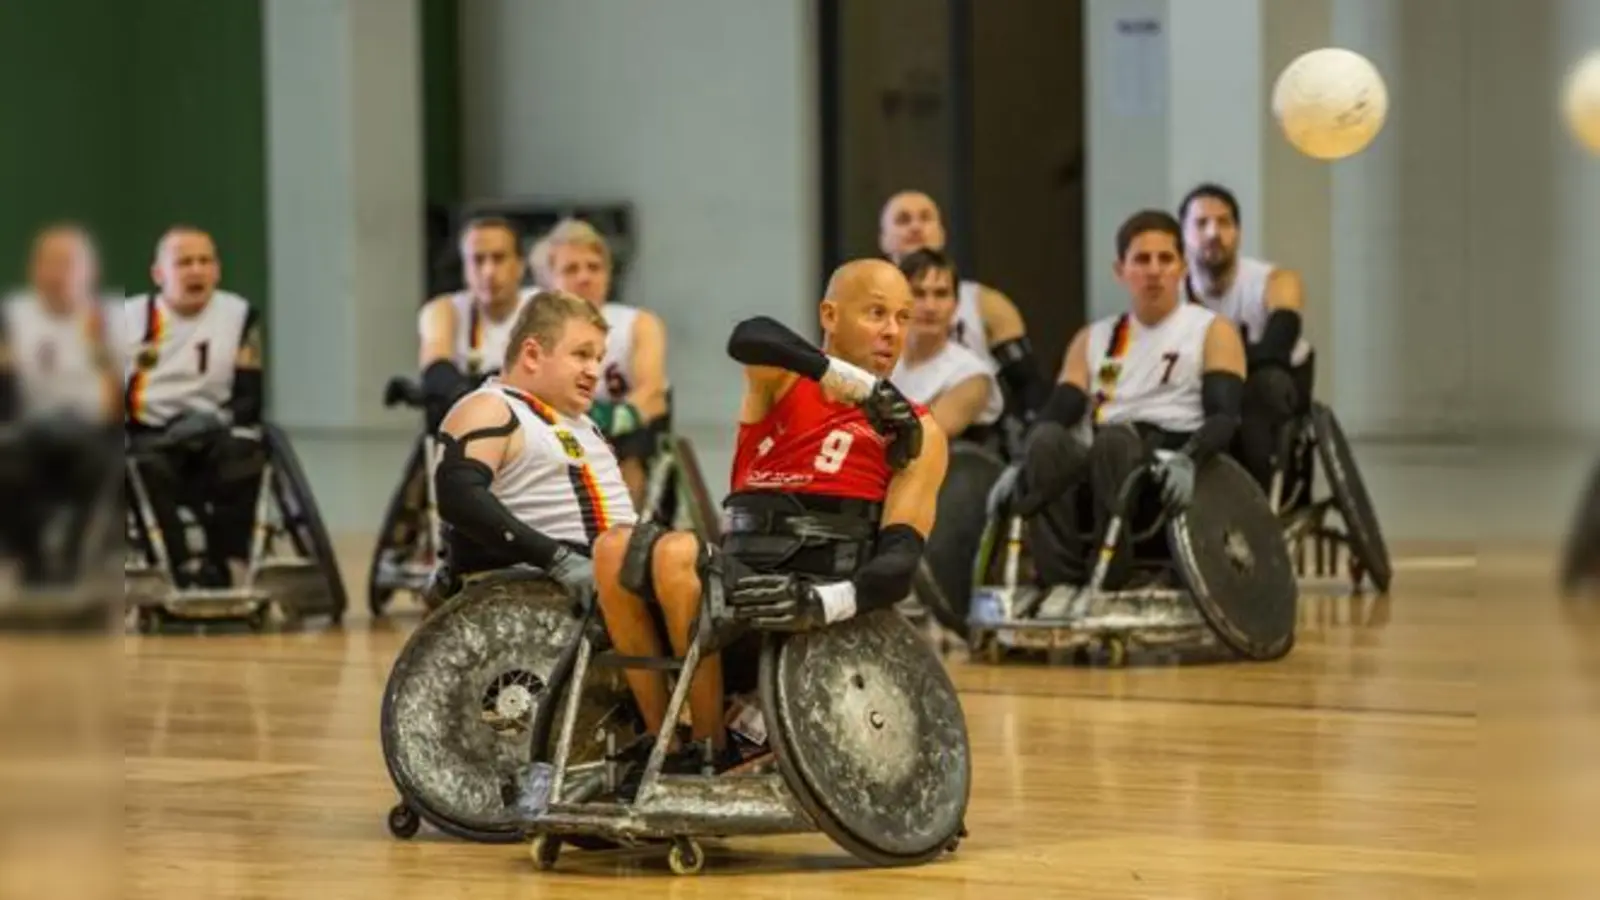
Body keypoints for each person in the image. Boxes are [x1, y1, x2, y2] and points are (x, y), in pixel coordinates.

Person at [586, 258, 947, 797]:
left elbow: (897, 566)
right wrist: (854, 385)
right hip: (736, 568)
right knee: (612, 548)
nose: (893, 331)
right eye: (876, 313)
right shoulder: (784, 383)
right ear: (830, 315)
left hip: (811, 585)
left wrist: (823, 603)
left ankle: (711, 745)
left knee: (677, 552)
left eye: (902, 317)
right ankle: (665, 740)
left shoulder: (918, 426)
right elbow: (749, 335)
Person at [1016, 210, 1246, 599]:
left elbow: (1225, 415)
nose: (1154, 270)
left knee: (1116, 440)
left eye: (1165, 259)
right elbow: (1059, 409)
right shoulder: (1095, 337)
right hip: (1104, 454)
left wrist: (1192, 456)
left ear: (1182, 267)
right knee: (1047, 441)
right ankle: (1061, 584)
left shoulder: (1210, 329)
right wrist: (1019, 464)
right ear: (1120, 270)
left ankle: (1112, 577)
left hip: (1169, 460)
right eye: (1141, 259)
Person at [118, 225, 267, 588]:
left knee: (244, 454)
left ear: (217, 270)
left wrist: (223, 420)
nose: (196, 270)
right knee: (145, 467)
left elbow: (250, 394)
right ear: (159, 274)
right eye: (184, 262)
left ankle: (227, 563)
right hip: (148, 432)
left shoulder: (239, 316)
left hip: (211, 426)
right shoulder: (129, 318)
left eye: (205, 261)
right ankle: (177, 565)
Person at [0, 224, 120, 586]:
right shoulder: (12, 317)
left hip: (96, 434)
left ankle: (73, 560)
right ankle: (31, 562)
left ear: (90, 271)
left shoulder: (113, 317)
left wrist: (103, 352)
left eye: (68, 263)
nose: (58, 274)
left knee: (105, 464)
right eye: (49, 263)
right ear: (34, 269)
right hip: (29, 433)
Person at [1177, 182, 1313, 492]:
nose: (1213, 232)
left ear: (1238, 232)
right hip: (1206, 390)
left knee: (1264, 385)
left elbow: (1279, 342)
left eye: (1224, 222)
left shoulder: (1274, 281)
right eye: (1201, 223)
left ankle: (1260, 498)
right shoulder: (1170, 294)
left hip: (1269, 386)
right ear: (1182, 235)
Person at [529, 218, 669, 509]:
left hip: (621, 430)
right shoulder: (533, 330)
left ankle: (623, 530)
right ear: (547, 281)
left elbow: (652, 394)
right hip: (556, 427)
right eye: (571, 269)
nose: (585, 277)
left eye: (594, 267)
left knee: (631, 439)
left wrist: (610, 420)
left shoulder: (639, 324)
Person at [878, 190, 1050, 423]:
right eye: (903, 220)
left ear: (941, 233)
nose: (916, 227)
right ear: (883, 238)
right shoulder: (868, 306)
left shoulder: (986, 304)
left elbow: (1028, 385)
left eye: (925, 218)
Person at [416, 217, 537, 431]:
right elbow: (435, 367)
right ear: (465, 267)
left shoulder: (542, 306)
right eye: (478, 260)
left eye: (499, 258)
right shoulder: (444, 309)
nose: (488, 271)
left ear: (520, 265)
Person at [888, 248, 1004, 441]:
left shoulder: (972, 374)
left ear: (956, 304)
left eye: (941, 294)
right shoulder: (878, 360)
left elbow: (921, 440)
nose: (930, 307)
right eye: (918, 293)